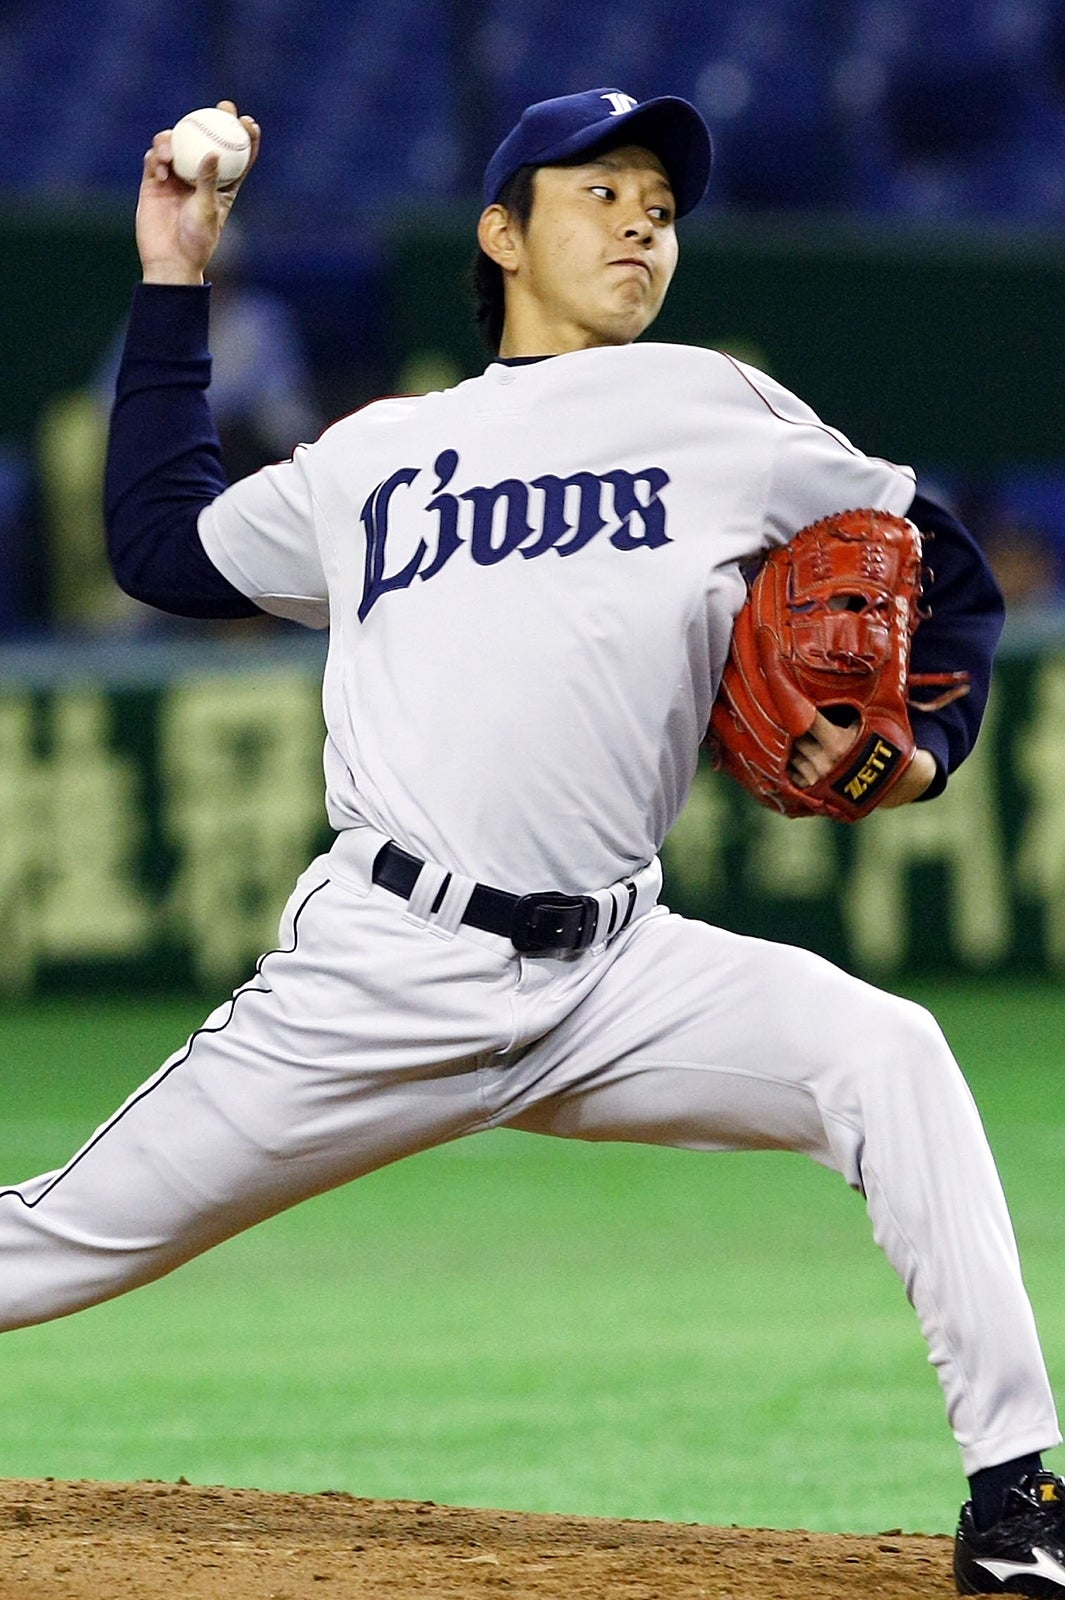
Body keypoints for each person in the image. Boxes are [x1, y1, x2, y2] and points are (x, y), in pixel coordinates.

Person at [1, 90, 1062, 1597]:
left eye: (661, 206)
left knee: (887, 1054)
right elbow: (164, 546)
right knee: (57, 1243)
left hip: (620, 973)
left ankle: (1018, 1496)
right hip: (384, 967)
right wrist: (174, 274)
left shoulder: (717, 406)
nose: (642, 223)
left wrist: (923, 744)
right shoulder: (381, 452)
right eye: (601, 192)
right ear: (502, 234)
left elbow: (935, 557)